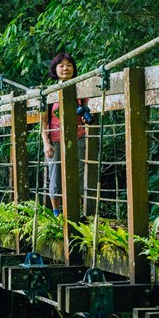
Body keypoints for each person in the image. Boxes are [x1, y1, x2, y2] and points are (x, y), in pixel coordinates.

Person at [42, 53, 88, 217]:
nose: (65, 68)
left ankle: (76, 211)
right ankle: (56, 212)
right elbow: (43, 122)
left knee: (79, 174)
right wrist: (46, 143)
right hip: (55, 140)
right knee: (55, 176)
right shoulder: (48, 93)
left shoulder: (81, 91)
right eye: (61, 65)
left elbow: (84, 114)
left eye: (69, 65)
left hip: (77, 138)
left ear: (74, 68)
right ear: (55, 69)